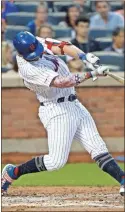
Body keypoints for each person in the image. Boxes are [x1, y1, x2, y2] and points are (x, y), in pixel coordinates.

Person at [2, 31, 125, 197]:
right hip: (56, 110)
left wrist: (84, 56)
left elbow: (62, 46)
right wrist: (92, 74)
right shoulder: (27, 69)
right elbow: (61, 82)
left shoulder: (37, 42)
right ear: (21, 53)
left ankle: (123, 180)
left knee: (98, 148)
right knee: (56, 162)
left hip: (74, 104)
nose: (37, 54)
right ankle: (13, 172)